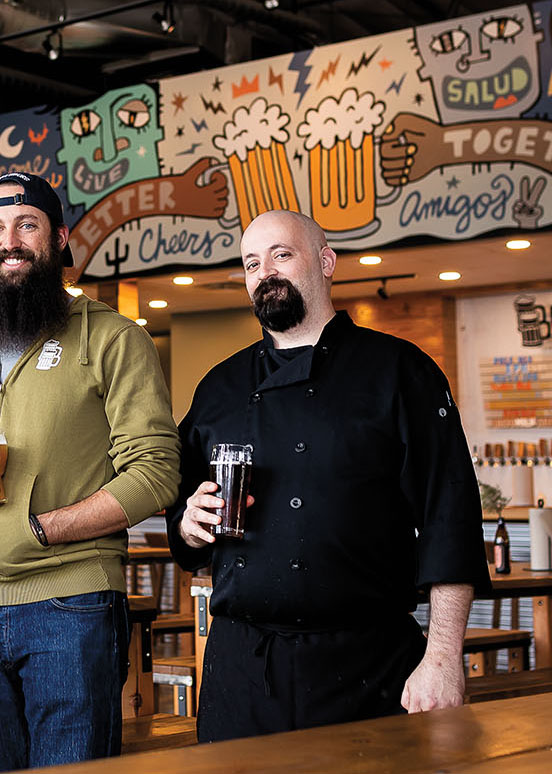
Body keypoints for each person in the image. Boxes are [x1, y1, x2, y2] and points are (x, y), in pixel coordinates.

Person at [168, 209, 490, 742]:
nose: (264, 272)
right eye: (251, 263)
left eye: (281, 255)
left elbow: (448, 516)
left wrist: (442, 658)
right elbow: (182, 510)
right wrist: (187, 524)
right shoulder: (219, 387)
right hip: (243, 671)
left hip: (370, 665)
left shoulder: (399, 371)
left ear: (326, 262)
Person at [0, 172, 180, 773]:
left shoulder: (113, 338)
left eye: (26, 225)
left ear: (59, 239)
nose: (8, 240)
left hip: (72, 602)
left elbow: (156, 470)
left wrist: (46, 529)